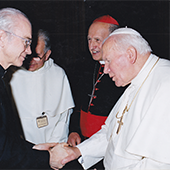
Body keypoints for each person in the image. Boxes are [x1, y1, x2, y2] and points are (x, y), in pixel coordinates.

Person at [35, 27, 170, 169]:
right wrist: (77, 151)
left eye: (108, 61)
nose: (105, 70)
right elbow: (110, 134)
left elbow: (159, 164)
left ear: (130, 55)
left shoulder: (165, 85)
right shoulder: (136, 81)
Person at [0, 7, 83, 170]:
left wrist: (33, 149)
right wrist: (47, 158)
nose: (29, 50)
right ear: (2, 38)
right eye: (26, 41)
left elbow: (0, 139)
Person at [68, 15, 126, 169]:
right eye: (89, 39)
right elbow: (77, 103)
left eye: (98, 40)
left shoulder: (123, 72)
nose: (92, 46)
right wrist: (74, 130)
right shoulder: (83, 66)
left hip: (109, 145)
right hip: (83, 141)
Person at [10, 29, 74, 145]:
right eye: (28, 54)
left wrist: (52, 146)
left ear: (47, 54)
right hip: (20, 146)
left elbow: (64, 117)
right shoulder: (11, 74)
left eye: (37, 56)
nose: (30, 60)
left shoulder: (58, 74)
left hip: (51, 142)